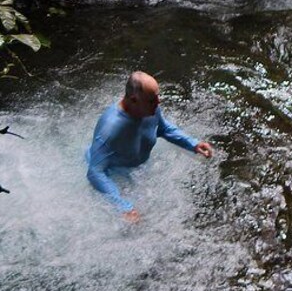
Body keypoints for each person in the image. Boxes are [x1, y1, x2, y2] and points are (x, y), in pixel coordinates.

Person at [85, 71, 213, 222]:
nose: (158, 103)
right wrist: (122, 206)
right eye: (152, 100)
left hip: (139, 169)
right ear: (133, 100)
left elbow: (164, 129)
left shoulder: (150, 108)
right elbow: (95, 172)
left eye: (158, 97)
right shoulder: (111, 129)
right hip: (116, 175)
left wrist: (193, 143)